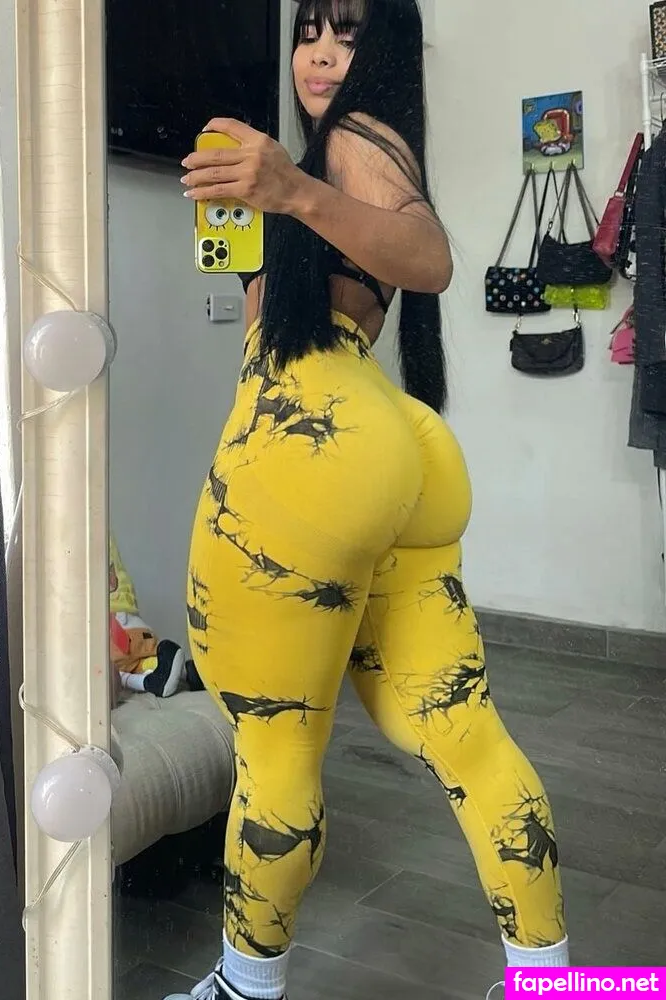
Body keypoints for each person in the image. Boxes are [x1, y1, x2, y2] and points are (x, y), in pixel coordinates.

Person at [170, 2, 568, 997]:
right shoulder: (343, 152)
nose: (318, 53)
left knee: (274, 746)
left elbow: (428, 258)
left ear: (381, 48)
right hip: (397, 445)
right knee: (464, 732)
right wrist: (270, 207)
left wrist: (293, 188)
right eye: (307, 31)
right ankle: (552, 982)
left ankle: (243, 987)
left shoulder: (353, 141)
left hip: (310, 435)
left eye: (346, 33)